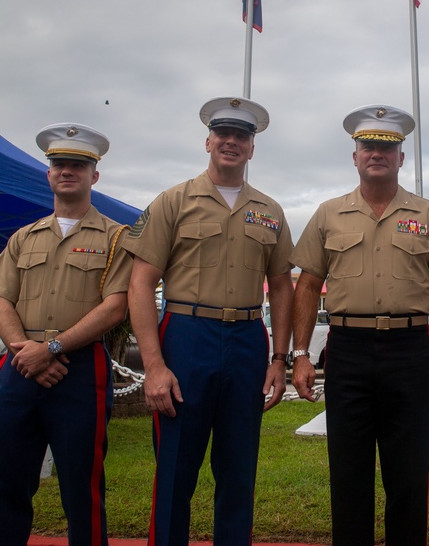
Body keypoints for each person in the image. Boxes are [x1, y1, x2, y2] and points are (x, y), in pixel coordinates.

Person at [290, 104, 429, 546]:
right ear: (354, 155)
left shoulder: (427, 215)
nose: (377, 154)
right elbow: (307, 285)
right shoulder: (328, 214)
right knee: (347, 473)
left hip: (409, 351)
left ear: (401, 158)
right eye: (368, 145)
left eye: (387, 148)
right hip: (347, 350)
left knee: (408, 474)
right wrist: (298, 355)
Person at [123, 96, 293, 546]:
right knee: (176, 469)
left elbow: (281, 286)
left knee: (238, 469)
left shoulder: (270, 211)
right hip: (186, 336)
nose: (231, 142)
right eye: (224, 134)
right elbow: (140, 284)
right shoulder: (173, 201)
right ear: (208, 141)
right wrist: (154, 367)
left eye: (242, 136)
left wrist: (279, 358)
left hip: (247, 340)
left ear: (252, 148)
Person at [0, 123, 131, 546]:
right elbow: (1, 300)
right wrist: (26, 351)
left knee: (82, 487)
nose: (68, 171)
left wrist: (52, 348)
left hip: (79, 370)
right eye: (60, 163)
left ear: (94, 175)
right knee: (8, 481)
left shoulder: (117, 238)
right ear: (48, 172)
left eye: (78, 165)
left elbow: (115, 306)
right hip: (21, 365)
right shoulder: (24, 238)